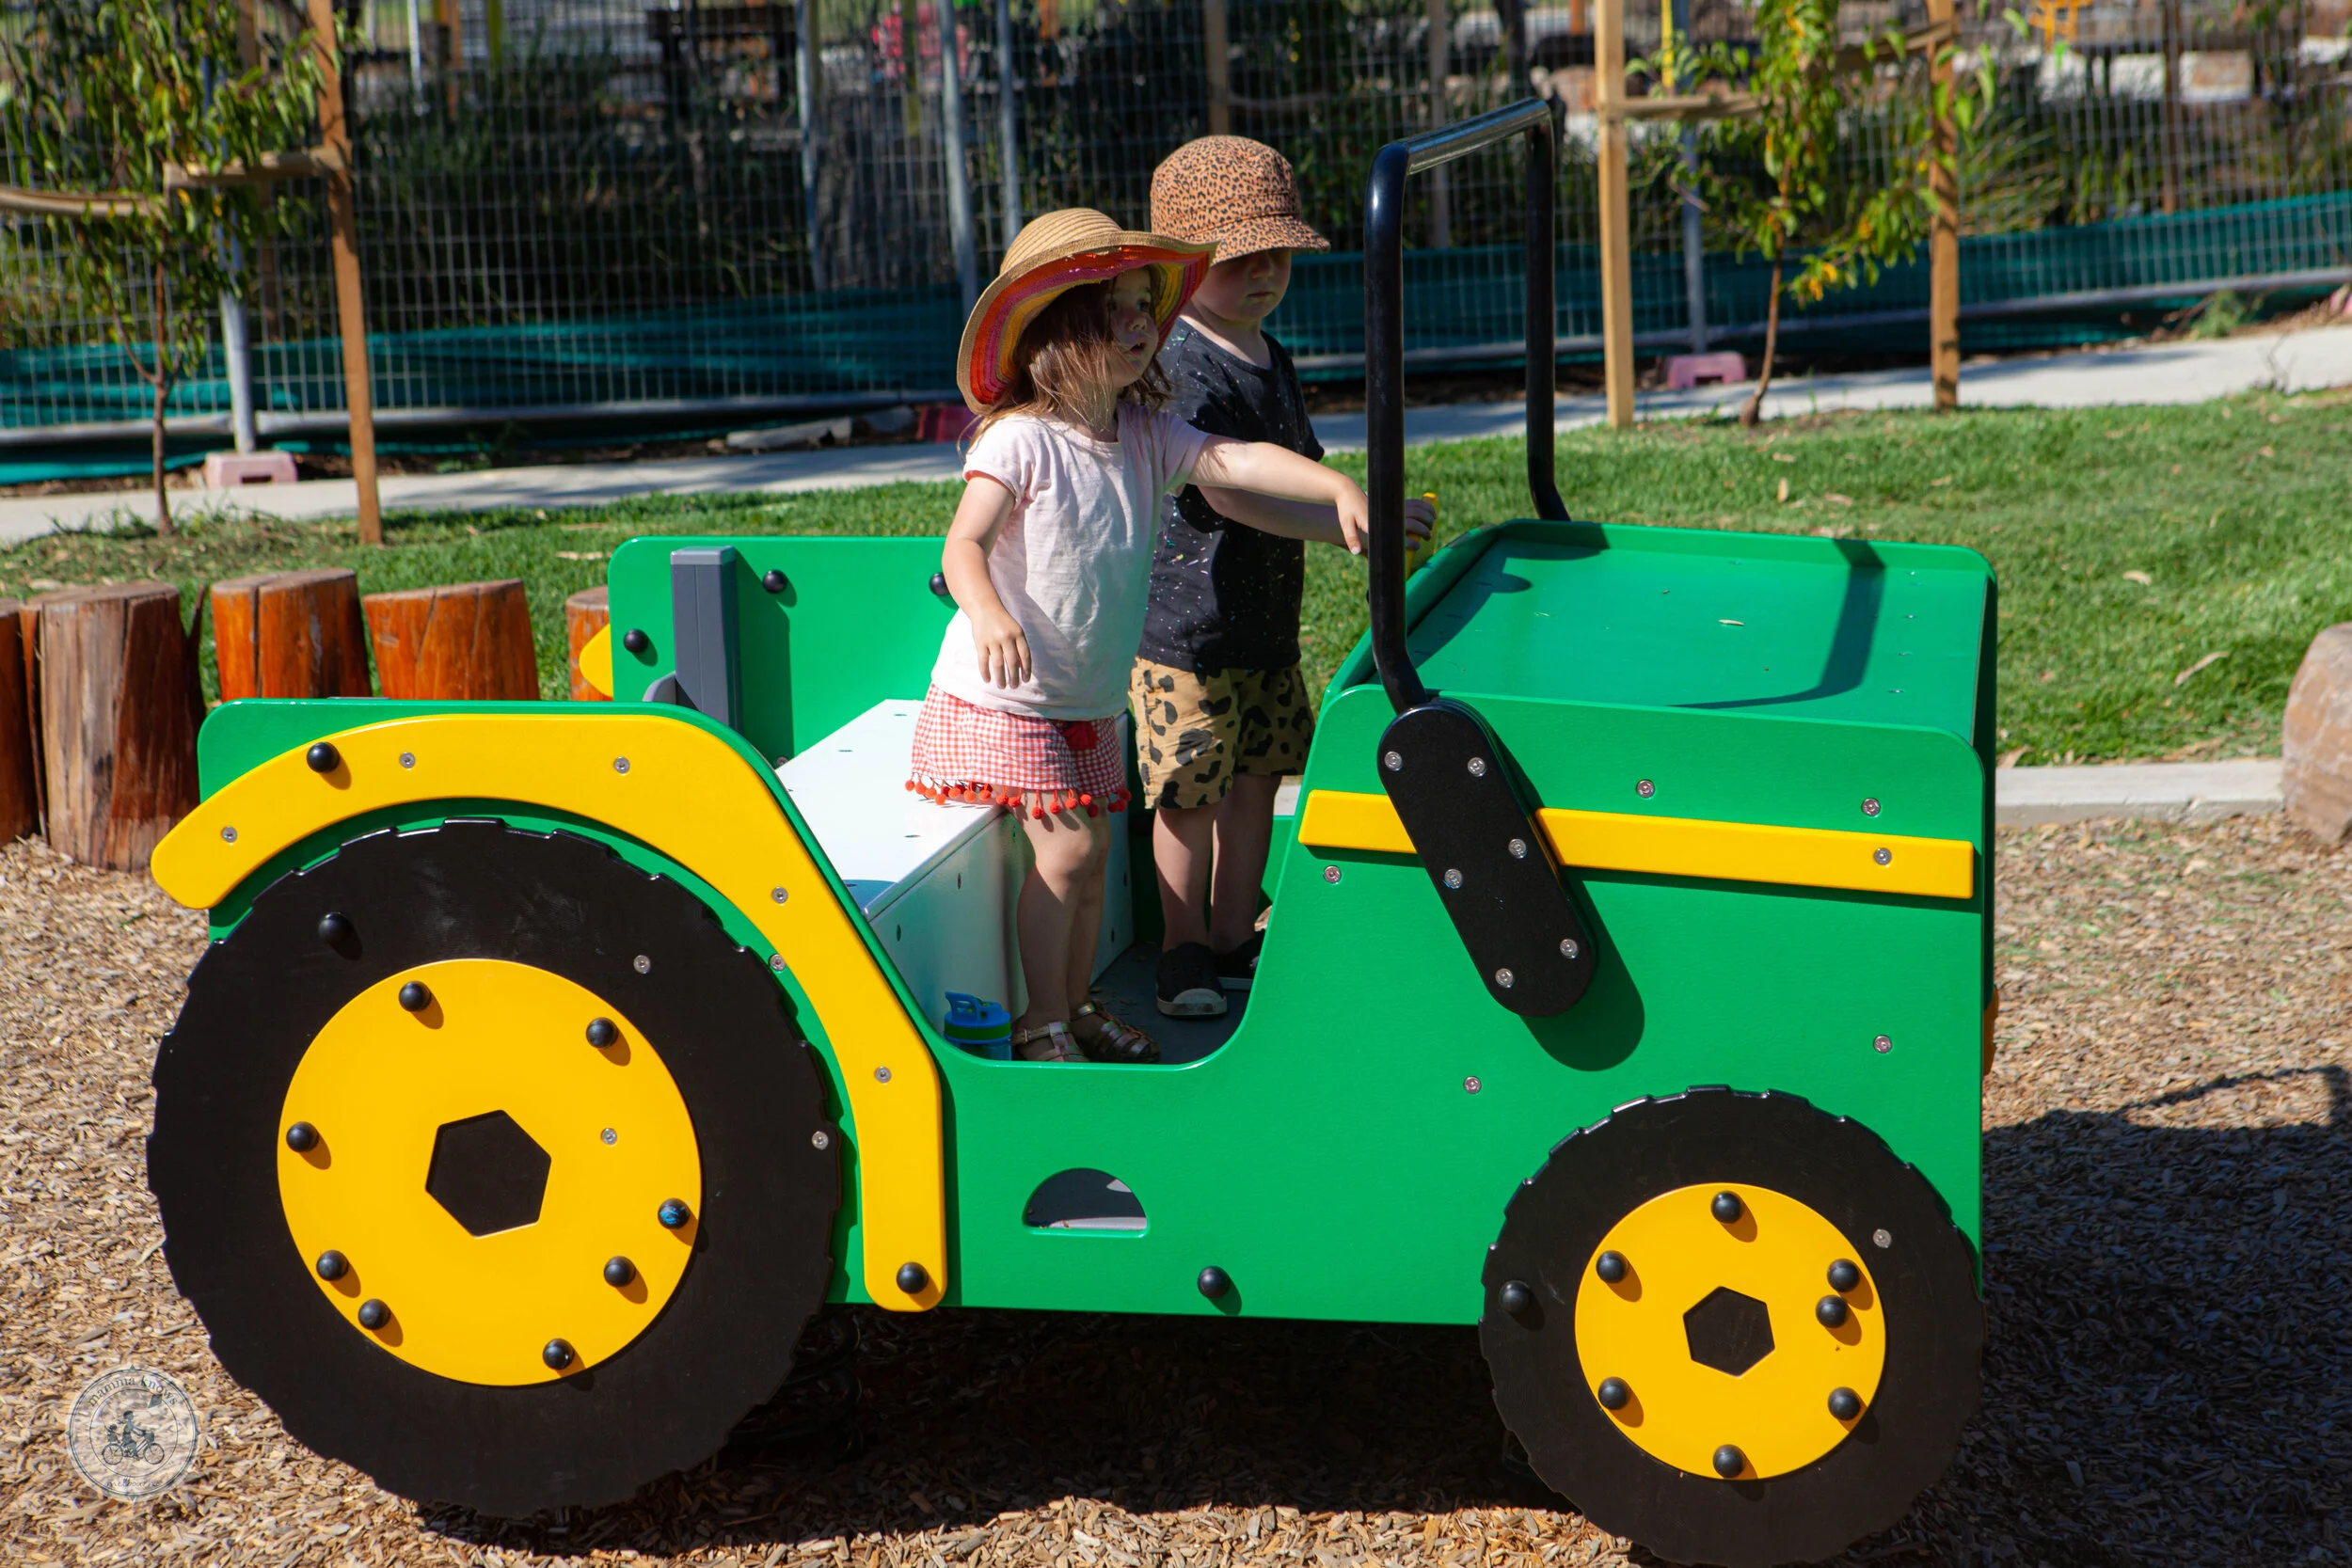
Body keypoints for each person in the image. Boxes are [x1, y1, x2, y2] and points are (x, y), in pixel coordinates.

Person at [910, 208, 1376, 1065]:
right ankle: (1039, 1022)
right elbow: (962, 545)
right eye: (1112, 310)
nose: (1138, 324)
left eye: (1140, 306)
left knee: (1092, 866)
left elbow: (1235, 459)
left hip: (1083, 699)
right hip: (1007, 699)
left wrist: (1336, 485)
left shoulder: (1143, 434)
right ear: (1055, 335)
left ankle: (1075, 1005)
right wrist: (988, 612)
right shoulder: (1020, 440)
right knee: (1073, 848)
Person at [1133, 137, 1432, 1018]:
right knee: (1191, 795)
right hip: (1186, 634)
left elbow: (1294, 475)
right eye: (1239, 259)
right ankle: (1182, 946)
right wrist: (1342, 512)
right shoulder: (1180, 363)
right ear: (1182, 271)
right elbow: (1228, 488)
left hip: (1261, 624)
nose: (1264, 271)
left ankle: (1234, 929)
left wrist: (1364, 521)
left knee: (1258, 777)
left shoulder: (1268, 352)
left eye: (1277, 253)